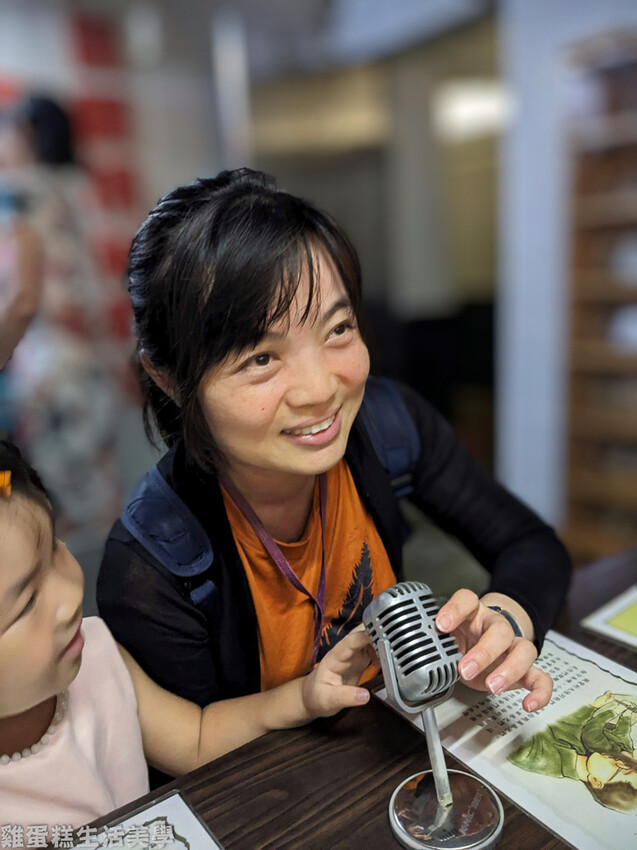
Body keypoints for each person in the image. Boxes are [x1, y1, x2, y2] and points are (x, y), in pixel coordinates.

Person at [97, 168, 571, 749]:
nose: (321, 389)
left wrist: (505, 619)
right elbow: (198, 770)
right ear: (168, 379)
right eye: (260, 359)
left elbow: (531, 544)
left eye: (338, 328)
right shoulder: (150, 569)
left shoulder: (388, 423)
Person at [0, 440, 375, 832]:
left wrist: (302, 697)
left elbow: (196, 739)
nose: (69, 595)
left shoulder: (96, 653)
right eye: (26, 602)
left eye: (54, 551)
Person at [0, 95, 124, 531]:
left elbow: (23, 297)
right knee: (103, 503)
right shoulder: (78, 185)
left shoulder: (21, 194)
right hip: (91, 364)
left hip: (49, 370)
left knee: (54, 512)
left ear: (27, 137)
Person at [508, 691, 637, 813]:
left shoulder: (537, 757)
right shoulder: (584, 750)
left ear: (595, 781)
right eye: (628, 765)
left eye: (620, 769)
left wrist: (593, 708)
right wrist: (595, 707)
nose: (620, 761)